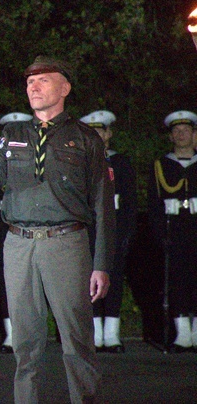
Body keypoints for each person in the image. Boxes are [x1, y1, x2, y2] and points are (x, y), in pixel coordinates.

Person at [0, 56, 114, 403]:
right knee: (25, 342)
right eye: (29, 82)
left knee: (76, 340)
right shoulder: (12, 134)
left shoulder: (86, 139)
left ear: (65, 88)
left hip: (66, 243)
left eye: (43, 80)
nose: (33, 87)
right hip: (19, 245)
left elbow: (103, 204)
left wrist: (100, 263)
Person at [80, 110, 136, 353]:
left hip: (113, 231)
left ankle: (112, 334)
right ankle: (92, 334)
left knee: (112, 282)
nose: (96, 135)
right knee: (86, 283)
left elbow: (129, 203)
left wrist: (127, 233)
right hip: (88, 231)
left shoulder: (121, 163)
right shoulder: (79, 162)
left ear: (109, 133)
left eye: (100, 130)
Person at [0, 112, 33, 354]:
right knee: (6, 284)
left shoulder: (36, 158)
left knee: (31, 284)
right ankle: (11, 334)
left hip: (32, 228)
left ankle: (30, 333)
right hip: (3, 229)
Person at [147, 110, 197, 352]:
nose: (181, 135)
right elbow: (154, 203)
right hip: (174, 230)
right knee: (177, 281)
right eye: (176, 131)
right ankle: (182, 335)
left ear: (194, 134)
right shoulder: (162, 165)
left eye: (185, 131)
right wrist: (159, 234)